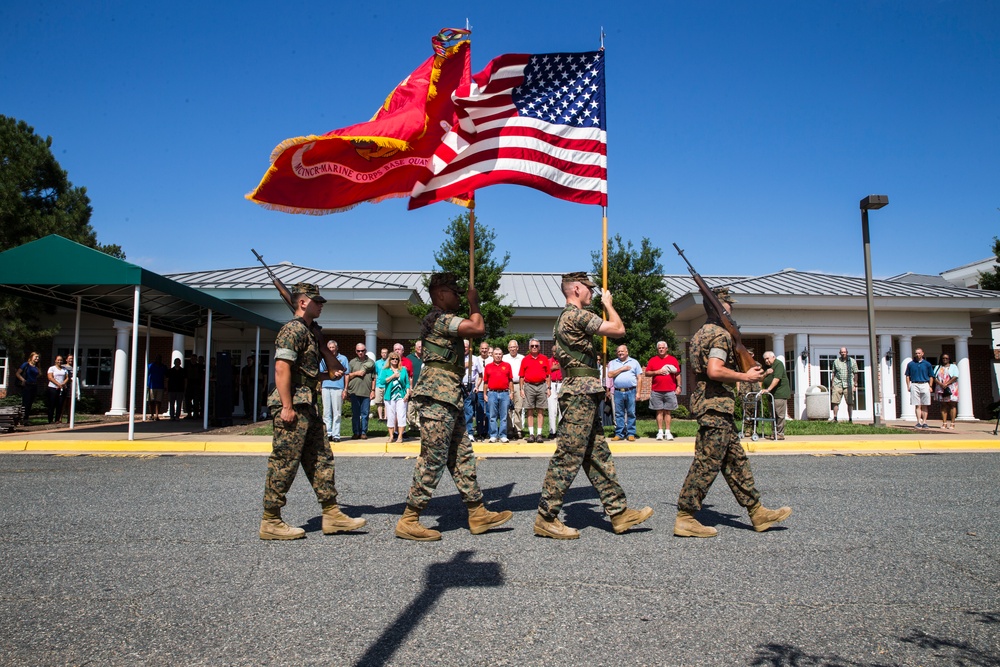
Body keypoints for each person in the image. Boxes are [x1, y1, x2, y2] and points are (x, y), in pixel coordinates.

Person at [535, 272, 653, 540]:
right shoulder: (575, 315)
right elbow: (619, 330)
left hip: (583, 393)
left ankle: (619, 512)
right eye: (589, 288)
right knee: (569, 455)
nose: (592, 293)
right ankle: (546, 516)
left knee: (598, 456)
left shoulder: (565, 318)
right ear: (576, 289)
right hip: (580, 394)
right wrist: (609, 304)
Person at [394, 273, 512, 541]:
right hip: (438, 396)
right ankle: (409, 519)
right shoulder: (440, 319)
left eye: (462, 293)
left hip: (449, 395)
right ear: (440, 293)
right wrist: (474, 303)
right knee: (433, 457)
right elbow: (477, 328)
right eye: (455, 292)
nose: (459, 296)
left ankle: (477, 512)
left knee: (462, 456)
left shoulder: (440, 318)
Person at [674, 287, 791, 538]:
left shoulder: (700, 334)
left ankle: (757, 511)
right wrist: (744, 375)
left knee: (736, 462)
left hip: (714, 406)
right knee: (707, 463)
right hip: (715, 406)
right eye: (729, 305)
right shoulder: (719, 335)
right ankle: (685, 516)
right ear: (720, 308)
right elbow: (715, 370)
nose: (732, 309)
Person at [259, 282, 364, 540]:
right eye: (317, 301)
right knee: (285, 461)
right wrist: (286, 406)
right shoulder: (292, 330)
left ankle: (332, 514)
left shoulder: (309, 331)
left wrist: (326, 373)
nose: (321, 305)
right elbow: (282, 369)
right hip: (293, 404)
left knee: (321, 458)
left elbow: (303, 373)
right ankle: (271, 520)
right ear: (302, 302)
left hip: (307, 402)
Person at [645, 341, 681, 441]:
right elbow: (647, 373)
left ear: (666, 349)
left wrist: (679, 386)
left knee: (668, 412)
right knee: (659, 411)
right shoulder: (653, 360)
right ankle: (660, 432)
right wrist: (657, 372)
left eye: (663, 348)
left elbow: (677, 374)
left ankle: (668, 432)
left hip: (670, 390)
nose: (661, 349)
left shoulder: (672, 360)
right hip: (656, 390)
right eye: (659, 348)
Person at [607, 344, 642, 441]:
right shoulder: (613, 363)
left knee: (631, 412)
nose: (620, 353)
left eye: (622, 351)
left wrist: (638, 393)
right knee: (619, 414)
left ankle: (631, 433)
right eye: (618, 351)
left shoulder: (634, 362)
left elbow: (639, 378)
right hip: (618, 392)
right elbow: (610, 374)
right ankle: (619, 434)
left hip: (631, 391)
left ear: (627, 352)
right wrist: (622, 369)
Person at [520, 338, 551, 442]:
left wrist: (549, 388)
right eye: (532, 346)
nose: (534, 347)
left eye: (536, 346)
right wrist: (521, 389)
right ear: (529, 347)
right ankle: (531, 434)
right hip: (529, 386)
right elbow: (521, 376)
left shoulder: (544, 358)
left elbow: (548, 375)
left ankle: (539, 434)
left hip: (542, 385)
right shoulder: (525, 359)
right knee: (529, 410)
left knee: (541, 410)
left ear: (539, 347)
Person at [319, 340, 349, 442]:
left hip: (338, 387)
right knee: (326, 412)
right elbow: (321, 372)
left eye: (333, 347)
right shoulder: (324, 359)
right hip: (326, 386)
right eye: (330, 348)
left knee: (337, 412)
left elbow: (346, 374)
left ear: (336, 348)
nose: (332, 349)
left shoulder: (343, 358)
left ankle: (336, 434)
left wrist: (345, 389)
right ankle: (328, 433)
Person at [483, 347, 514, 443]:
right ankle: (493, 435)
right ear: (492, 355)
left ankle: (503, 435)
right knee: (492, 416)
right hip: (492, 393)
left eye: (500, 354)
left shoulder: (507, 365)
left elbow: (510, 380)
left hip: (504, 393)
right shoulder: (488, 366)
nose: (498, 356)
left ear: (502, 355)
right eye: (496, 354)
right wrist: (485, 394)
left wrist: (511, 392)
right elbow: (485, 382)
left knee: (504, 416)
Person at [346, 343, 376, 439]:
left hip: (366, 392)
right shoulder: (352, 362)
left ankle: (363, 432)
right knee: (355, 414)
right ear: (356, 351)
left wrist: (373, 390)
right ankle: (356, 432)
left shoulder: (371, 362)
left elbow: (374, 378)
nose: (360, 352)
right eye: (358, 351)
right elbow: (347, 376)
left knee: (365, 414)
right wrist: (356, 373)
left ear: (365, 351)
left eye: (362, 351)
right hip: (354, 392)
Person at [380, 351, 410, 443]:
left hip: (401, 396)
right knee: (391, 416)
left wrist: (407, 394)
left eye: (396, 359)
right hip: (390, 397)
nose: (395, 360)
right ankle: (391, 436)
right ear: (390, 360)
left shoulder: (403, 370)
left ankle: (400, 436)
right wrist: (393, 376)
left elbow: (407, 383)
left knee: (401, 416)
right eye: (393, 358)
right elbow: (382, 381)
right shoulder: (385, 370)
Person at [759, 351, 790, 440]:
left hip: (779, 394)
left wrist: (768, 389)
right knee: (772, 414)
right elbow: (760, 378)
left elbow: (777, 379)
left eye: (768, 358)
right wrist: (766, 373)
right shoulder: (768, 367)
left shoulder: (778, 364)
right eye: (765, 359)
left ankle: (780, 433)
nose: (766, 361)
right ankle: (774, 433)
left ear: (773, 357)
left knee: (779, 414)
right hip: (771, 395)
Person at [905, 348, 934, 428]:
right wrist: (908, 386)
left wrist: (930, 386)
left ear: (922, 354)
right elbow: (907, 376)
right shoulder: (911, 364)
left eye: (919, 353)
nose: (917, 355)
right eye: (916, 353)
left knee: (925, 404)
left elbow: (931, 376)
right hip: (915, 384)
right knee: (917, 405)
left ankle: (924, 422)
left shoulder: (927, 364)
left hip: (925, 384)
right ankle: (918, 421)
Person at [461, 340, 484, 442]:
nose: (464, 348)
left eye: (466, 347)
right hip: (457, 386)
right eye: (463, 346)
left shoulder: (474, 359)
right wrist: (464, 365)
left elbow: (480, 375)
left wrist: (477, 386)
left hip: (470, 386)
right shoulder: (456, 358)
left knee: (469, 410)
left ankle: (469, 433)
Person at [830, 348, 859, 423]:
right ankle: (835, 418)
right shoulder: (836, 361)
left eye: (844, 352)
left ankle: (850, 419)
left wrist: (855, 384)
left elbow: (855, 373)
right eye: (842, 352)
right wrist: (832, 384)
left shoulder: (852, 361)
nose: (843, 353)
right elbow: (833, 373)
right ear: (839, 353)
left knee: (850, 402)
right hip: (837, 383)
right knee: (835, 401)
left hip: (849, 384)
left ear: (847, 352)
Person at [503, 340, 525, 440]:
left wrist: (522, 387)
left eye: (514, 347)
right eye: (510, 347)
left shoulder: (522, 358)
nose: (512, 349)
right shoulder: (504, 358)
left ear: (517, 348)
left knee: (518, 408)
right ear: (508, 348)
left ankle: (518, 429)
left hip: (518, 384)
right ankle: (509, 430)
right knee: (507, 409)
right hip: (506, 385)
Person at [932, 353, 959, 429]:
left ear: (949, 359)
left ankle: (952, 423)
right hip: (941, 387)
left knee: (952, 405)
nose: (945, 359)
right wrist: (941, 384)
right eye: (943, 358)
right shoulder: (938, 367)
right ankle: (944, 423)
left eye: (946, 358)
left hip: (951, 387)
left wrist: (946, 384)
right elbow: (934, 377)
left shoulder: (953, 366)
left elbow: (955, 376)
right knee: (943, 405)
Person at [15, 352, 42, 421]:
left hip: (34, 385)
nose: (37, 358)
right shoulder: (26, 364)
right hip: (27, 385)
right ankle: (22, 419)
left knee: (30, 403)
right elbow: (18, 373)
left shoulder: (36, 366)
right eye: (36, 357)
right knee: (25, 402)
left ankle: (26, 419)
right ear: (31, 357)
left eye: (38, 357)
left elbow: (39, 374)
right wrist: (23, 380)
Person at [474, 342, 492, 439]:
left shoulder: (492, 360)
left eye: (486, 348)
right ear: (479, 349)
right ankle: (480, 431)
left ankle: (488, 431)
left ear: (488, 349)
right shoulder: (476, 359)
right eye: (482, 348)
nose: (484, 350)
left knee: (489, 412)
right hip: (479, 389)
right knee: (479, 411)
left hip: (489, 389)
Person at [45, 355, 68, 424]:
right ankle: (50, 420)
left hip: (61, 389)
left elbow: (67, 378)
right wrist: (58, 384)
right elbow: (50, 377)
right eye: (58, 360)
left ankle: (57, 419)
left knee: (60, 404)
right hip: (52, 388)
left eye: (61, 360)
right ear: (55, 360)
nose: (59, 361)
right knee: (52, 404)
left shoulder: (64, 369)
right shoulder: (52, 368)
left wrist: (62, 384)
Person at [146, 355, 167, 421]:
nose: (158, 360)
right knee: (151, 401)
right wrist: (147, 385)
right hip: (151, 386)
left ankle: (157, 415)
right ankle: (152, 414)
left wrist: (165, 386)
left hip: (160, 386)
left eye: (160, 359)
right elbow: (147, 375)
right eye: (157, 359)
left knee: (158, 401)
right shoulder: (150, 366)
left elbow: (166, 377)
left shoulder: (163, 367)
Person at [60, 354, 80, 422]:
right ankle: (60, 419)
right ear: (66, 359)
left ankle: (70, 419)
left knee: (70, 403)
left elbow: (77, 376)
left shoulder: (76, 367)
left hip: (72, 387)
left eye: (72, 358)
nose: (71, 360)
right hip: (65, 386)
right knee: (63, 403)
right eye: (69, 358)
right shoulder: (63, 367)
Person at [547, 354, 563, 438]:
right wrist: (552, 368)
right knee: (552, 408)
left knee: (561, 408)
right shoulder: (548, 361)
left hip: (561, 383)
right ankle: (552, 431)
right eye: (553, 351)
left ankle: (561, 431)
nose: (555, 353)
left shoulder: (563, 360)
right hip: (552, 384)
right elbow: (545, 371)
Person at [373, 347, 389, 421]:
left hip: (387, 384)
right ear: (381, 353)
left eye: (385, 353)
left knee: (386, 401)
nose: (384, 354)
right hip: (378, 384)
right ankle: (380, 417)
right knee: (379, 402)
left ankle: (385, 417)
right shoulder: (377, 363)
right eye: (383, 353)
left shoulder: (389, 362)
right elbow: (375, 374)